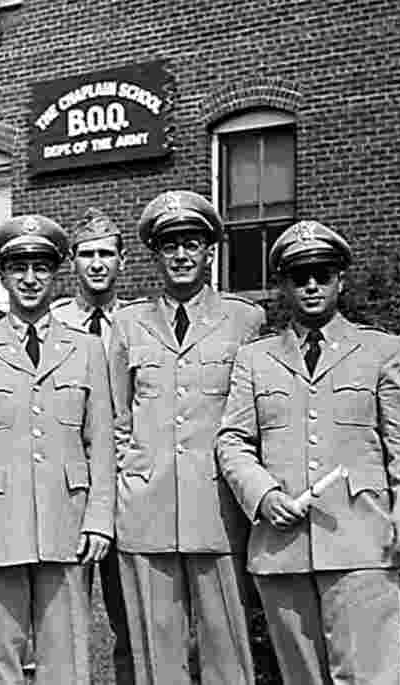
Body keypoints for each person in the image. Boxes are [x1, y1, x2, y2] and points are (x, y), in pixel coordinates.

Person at [216, 219, 400, 685]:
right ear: (282, 284)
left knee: (369, 677)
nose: (311, 285)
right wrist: (263, 495)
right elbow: (233, 440)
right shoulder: (256, 358)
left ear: (340, 280)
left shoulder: (380, 350)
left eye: (322, 274)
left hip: (363, 541)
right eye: (299, 276)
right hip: (283, 549)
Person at [0, 214, 114, 685]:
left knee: (66, 655)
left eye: (41, 267)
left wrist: (99, 518)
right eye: (19, 268)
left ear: (57, 273)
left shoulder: (87, 350)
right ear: (2, 275)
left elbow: (101, 442)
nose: (31, 279)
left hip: (66, 519)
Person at [109, 190, 263, 685]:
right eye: (169, 245)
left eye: (191, 244)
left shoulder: (245, 320)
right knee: (158, 655)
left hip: (216, 506)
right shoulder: (128, 323)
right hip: (147, 507)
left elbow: (255, 417)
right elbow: (116, 418)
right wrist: (131, 478)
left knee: (227, 649)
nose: (180, 255)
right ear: (155, 254)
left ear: (210, 251)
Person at [50, 207, 134, 685]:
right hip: (67, 485)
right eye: (86, 254)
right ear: (72, 261)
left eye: (106, 253)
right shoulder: (53, 321)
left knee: (132, 615)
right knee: (61, 614)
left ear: (123, 260)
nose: (97, 264)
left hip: (128, 483)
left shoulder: (140, 322)